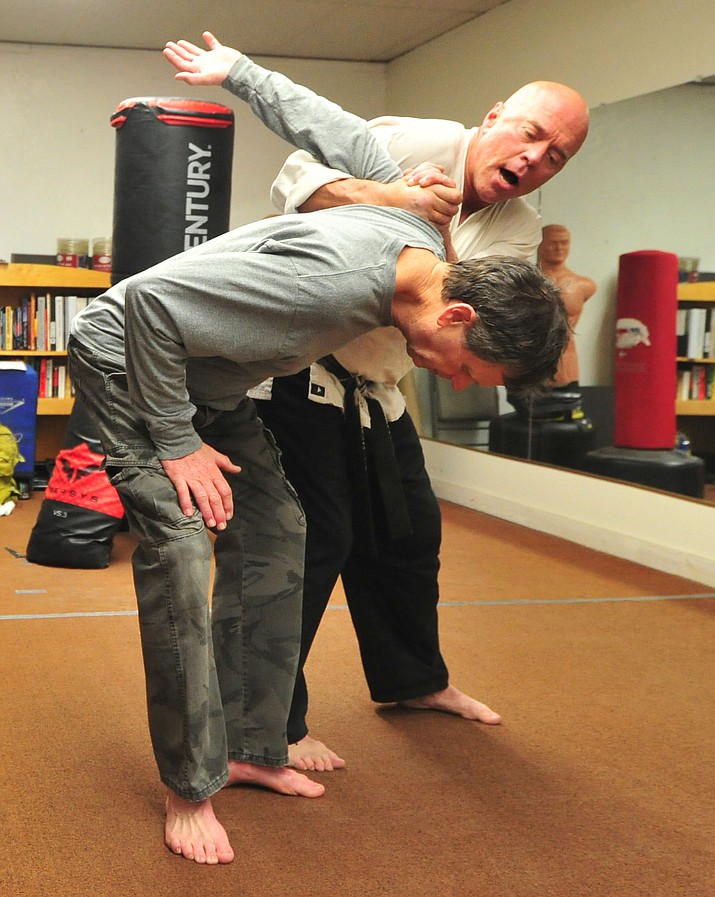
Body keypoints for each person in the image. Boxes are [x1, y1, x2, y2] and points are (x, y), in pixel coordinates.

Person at [68, 33, 568, 866]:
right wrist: (178, 444)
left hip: (213, 379)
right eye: (477, 372)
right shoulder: (333, 279)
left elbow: (343, 133)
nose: (471, 385)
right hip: (129, 361)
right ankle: (189, 785)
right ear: (456, 320)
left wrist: (240, 74)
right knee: (184, 548)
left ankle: (253, 746)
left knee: (280, 528)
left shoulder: (429, 246)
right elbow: (149, 306)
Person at [250, 66, 590, 769]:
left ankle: (413, 680)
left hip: (377, 382)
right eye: (529, 135)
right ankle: (271, 721)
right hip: (295, 365)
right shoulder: (419, 138)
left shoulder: (519, 225)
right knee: (315, 539)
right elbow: (297, 186)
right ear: (494, 116)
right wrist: (396, 199)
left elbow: (454, 311)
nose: (533, 159)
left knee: (406, 532)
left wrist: (434, 235)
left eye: (554, 155)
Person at [537, 224, 597, 387]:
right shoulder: (525, 284)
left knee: (567, 408)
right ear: (539, 243)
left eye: (564, 243)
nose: (559, 248)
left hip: (567, 366)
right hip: (532, 367)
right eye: (553, 243)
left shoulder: (584, 285)